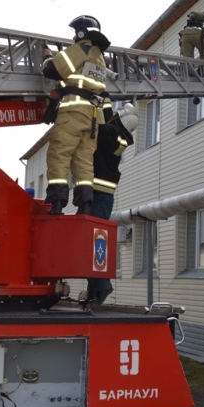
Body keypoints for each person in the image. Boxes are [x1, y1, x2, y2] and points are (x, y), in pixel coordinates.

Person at [41, 15, 110, 215]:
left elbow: (52, 69)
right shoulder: (99, 58)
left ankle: (56, 203)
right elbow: (79, 83)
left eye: (75, 32)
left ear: (81, 32)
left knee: (59, 154)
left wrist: (46, 56)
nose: (73, 37)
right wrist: (57, 95)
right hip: (93, 117)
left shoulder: (81, 50)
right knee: (84, 161)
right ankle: (85, 206)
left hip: (74, 113)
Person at [84, 102, 138, 305]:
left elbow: (102, 126)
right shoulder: (118, 135)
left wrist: (100, 103)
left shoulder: (114, 136)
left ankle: (102, 286)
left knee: (95, 240)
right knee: (88, 241)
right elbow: (105, 122)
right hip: (96, 193)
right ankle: (94, 289)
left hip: (100, 195)